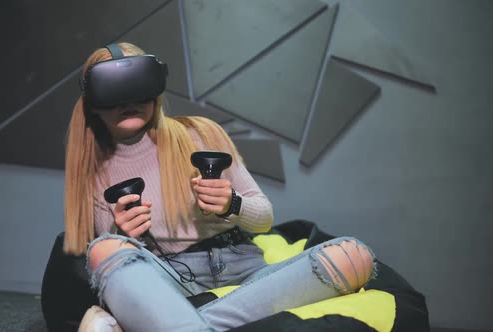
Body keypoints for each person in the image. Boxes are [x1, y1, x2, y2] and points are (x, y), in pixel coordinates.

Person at [63, 42, 377, 332]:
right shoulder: (95, 173)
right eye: (114, 93)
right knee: (105, 248)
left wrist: (233, 204)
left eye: (139, 89)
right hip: (171, 278)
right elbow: (124, 263)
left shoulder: (200, 133)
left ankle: (181, 322)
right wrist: (121, 232)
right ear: (92, 104)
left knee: (353, 256)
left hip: (247, 269)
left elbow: (264, 217)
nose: (129, 103)